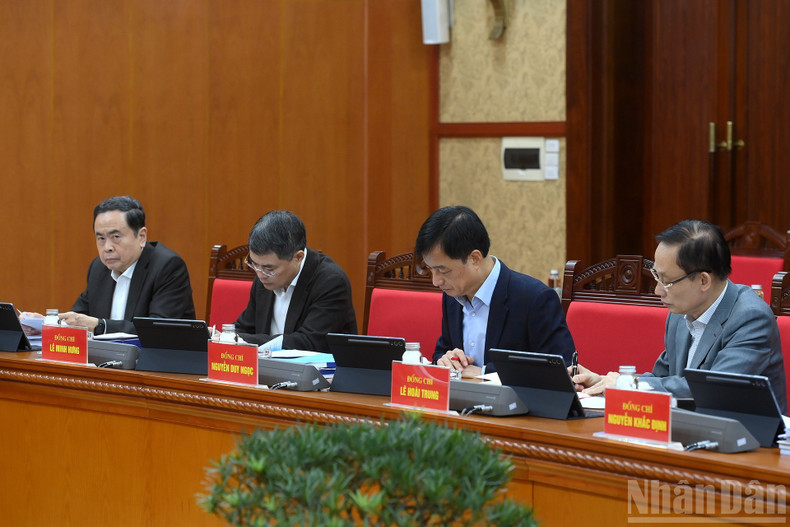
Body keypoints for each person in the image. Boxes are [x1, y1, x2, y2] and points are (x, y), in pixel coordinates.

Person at [572, 219, 788, 414]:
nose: (658, 290)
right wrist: (602, 382)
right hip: (690, 433)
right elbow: (663, 379)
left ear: (703, 281)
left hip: (752, 447)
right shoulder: (680, 313)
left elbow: (715, 389)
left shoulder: (750, 318)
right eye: (656, 275)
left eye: (666, 281)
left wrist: (628, 384)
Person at [414, 205, 576, 378]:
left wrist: (484, 373)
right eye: (430, 269)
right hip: (460, 402)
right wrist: (445, 360)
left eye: (443, 270)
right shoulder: (452, 295)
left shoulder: (535, 299)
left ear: (475, 259)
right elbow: (442, 350)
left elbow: (563, 370)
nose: (436, 281)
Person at [22, 196, 196, 335]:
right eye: (101, 238)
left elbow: (157, 332)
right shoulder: (99, 268)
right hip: (108, 367)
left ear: (141, 237)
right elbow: (77, 318)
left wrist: (100, 326)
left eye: (116, 237)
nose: (107, 247)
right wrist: (45, 323)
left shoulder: (167, 267)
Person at [233, 210, 357, 352]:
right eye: (254, 264)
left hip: (323, 371)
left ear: (298, 257)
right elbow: (246, 327)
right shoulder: (264, 275)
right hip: (271, 369)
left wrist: (239, 340)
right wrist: (223, 337)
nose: (260, 274)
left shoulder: (331, 282)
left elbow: (309, 342)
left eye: (269, 268)